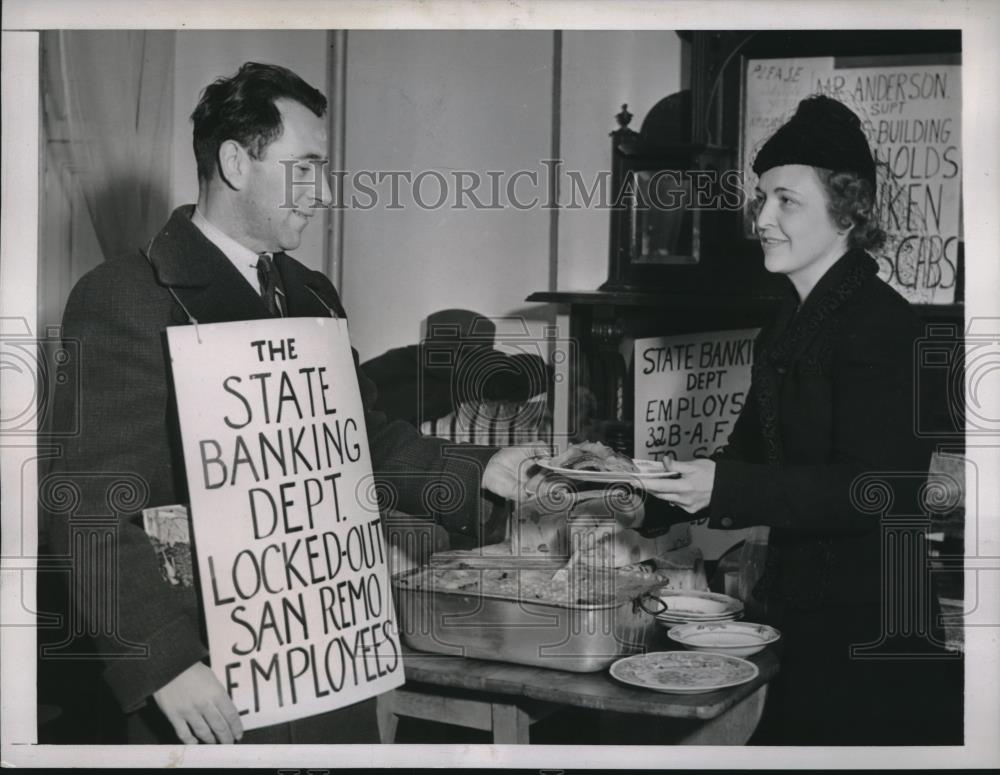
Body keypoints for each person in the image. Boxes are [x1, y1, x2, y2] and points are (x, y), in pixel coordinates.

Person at [46, 62, 544, 745]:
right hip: (207, 681)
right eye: (305, 167)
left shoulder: (310, 292)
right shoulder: (125, 296)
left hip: (326, 662)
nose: (325, 191)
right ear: (234, 162)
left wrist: (482, 469)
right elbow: (89, 507)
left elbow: (357, 440)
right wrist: (163, 663)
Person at [637, 95, 962, 744]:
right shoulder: (787, 323)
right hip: (795, 615)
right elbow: (748, 461)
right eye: (761, 200)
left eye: (786, 201)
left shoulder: (884, 326)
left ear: (848, 211)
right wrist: (639, 492)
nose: (763, 218)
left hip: (870, 633)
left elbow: (878, 488)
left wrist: (721, 486)